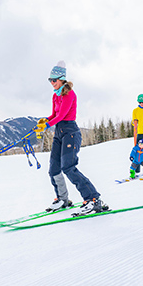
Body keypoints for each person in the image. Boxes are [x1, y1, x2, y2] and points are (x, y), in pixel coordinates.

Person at [34, 61, 109, 215]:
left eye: (54, 80)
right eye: (50, 80)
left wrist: (47, 126)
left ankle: (93, 199)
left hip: (70, 132)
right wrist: (44, 121)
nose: (52, 83)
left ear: (62, 79)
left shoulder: (69, 94)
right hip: (59, 133)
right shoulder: (55, 96)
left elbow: (62, 115)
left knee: (68, 167)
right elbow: (54, 115)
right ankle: (62, 199)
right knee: (54, 168)